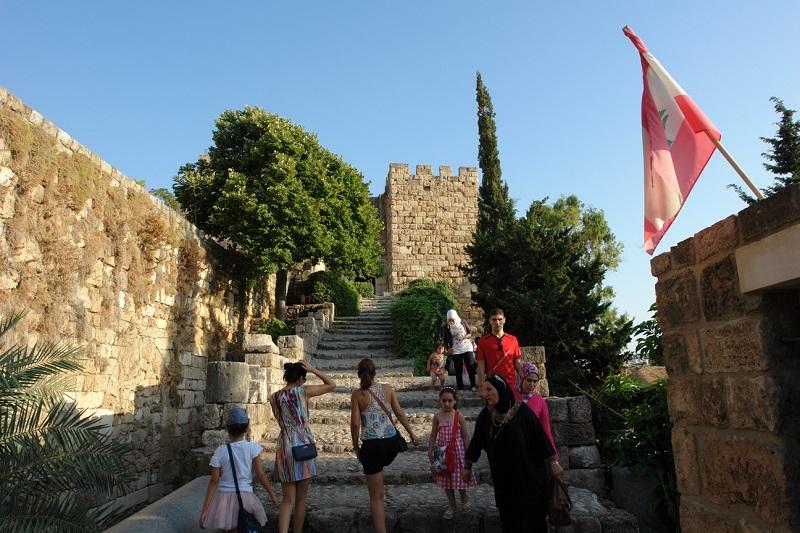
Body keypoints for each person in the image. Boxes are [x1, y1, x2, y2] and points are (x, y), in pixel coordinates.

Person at [462, 375, 563, 533]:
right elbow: (476, 442)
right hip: (504, 481)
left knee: (533, 521)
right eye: (484, 389)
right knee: (509, 520)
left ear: (501, 390)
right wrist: (467, 466)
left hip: (529, 479)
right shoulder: (486, 416)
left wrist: (554, 462)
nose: (485, 394)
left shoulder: (522, 412)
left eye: (490, 389)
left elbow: (541, 437)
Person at [350, 358, 420, 533]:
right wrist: (411, 433)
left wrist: (356, 447)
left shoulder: (358, 395)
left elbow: (355, 424)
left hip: (372, 447)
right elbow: (399, 412)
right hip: (391, 444)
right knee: (379, 483)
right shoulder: (387, 389)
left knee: (375, 497)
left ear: (359, 374)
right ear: (375, 373)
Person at [270, 360, 335, 533]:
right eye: (304, 379)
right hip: (303, 444)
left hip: (284, 445)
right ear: (300, 379)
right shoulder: (303, 392)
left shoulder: (274, 397)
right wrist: (313, 369)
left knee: (287, 500)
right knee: (301, 498)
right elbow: (331, 384)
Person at [199, 406, 278, 531]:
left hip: (223, 498)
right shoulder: (253, 448)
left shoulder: (220, 451)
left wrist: (205, 510)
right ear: (247, 428)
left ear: (227, 429)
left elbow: (214, 481)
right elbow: (261, 475)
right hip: (245, 496)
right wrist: (272, 494)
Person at [427, 387, 475, 519]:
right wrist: (430, 450)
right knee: (446, 480)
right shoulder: (437, 417)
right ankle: (452, 505)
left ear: (455, 401)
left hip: (458, 452)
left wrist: (468, 454)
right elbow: (433, 435)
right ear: (440, 401)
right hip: (442, 453)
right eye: (444, 401)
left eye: (450, 401)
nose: (446, 403)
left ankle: (464, 498)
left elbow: (465, 436)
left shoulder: (459, 416)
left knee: (459, 479)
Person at [475, 308, 523, 395]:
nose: (497, 322)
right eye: (494, 319)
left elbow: (517, 362)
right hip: (492, 384)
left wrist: (523, 378)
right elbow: (481, 365)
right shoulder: (483, 341)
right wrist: (482, 385)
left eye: (500, 319)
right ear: (490, 321)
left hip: (510, 384)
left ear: (504, 320)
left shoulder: (513, 340)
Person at [519, 361, 558, 457]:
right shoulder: (512, 396)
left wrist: (554, 459)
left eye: (535, 381)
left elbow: (546, 430)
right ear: (521, 378)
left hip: (532, 448)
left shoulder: (540, 401)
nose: (532, 384)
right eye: (529, 380)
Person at [443, 309, 477, 391]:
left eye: (452, 320)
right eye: (449, 320)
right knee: (458, 369)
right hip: (456, 349)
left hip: (467, 347)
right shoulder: (447, 326)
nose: (451, 321)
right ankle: (460, 388)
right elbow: (445, 339)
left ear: (455, 317)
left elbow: (470, 333)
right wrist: (448, 349)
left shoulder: (462, 322)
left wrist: (465, 337)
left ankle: (473, 386)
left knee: (470, 367)